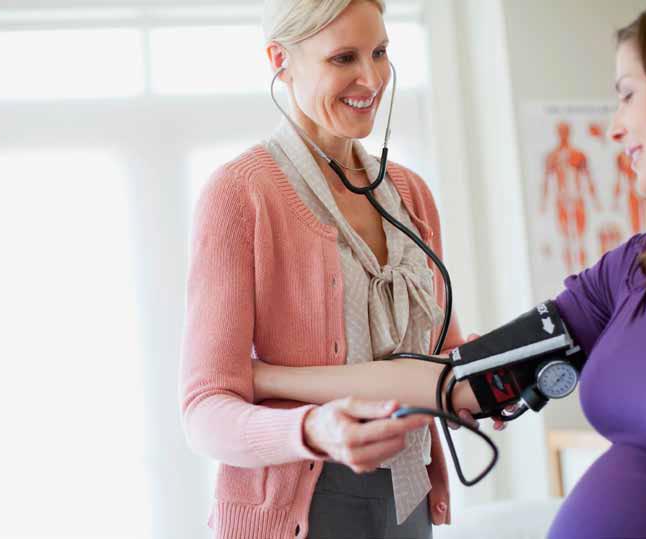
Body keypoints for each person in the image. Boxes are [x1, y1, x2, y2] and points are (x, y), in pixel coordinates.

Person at [251, 0, 646, 537]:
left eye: (627, 94)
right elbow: (460, 378)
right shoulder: (641, 267)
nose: (615, 127)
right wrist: (267, 377)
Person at [179, 1, 493, 537]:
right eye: (343, 58)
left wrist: (488, 379)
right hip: (294, 509)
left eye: (380, 52)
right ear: (281, 59)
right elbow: (204, 412)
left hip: (407, 499)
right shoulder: (240, 193)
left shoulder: (411, 195)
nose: (370, 79)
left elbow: (441, 355)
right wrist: (311, 429)